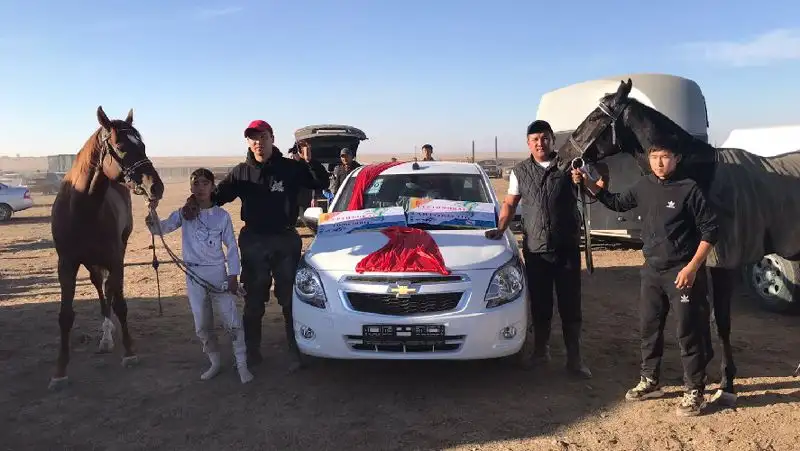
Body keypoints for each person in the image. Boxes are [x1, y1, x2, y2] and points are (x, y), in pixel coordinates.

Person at [571, 136, 719, 417]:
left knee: (688, 331)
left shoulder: (689, 189)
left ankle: (694, 390)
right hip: (652, 271)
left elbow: (711, 230)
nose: (659, 163)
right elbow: (616, 202)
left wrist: (692, 267)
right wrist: (588, 183)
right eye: (654, 157)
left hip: (681, 272)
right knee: (649, 328)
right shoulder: (644, 185)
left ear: (676, 159)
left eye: (665, 157)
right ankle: (650, 381)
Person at [182, 120, 330, 371]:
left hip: (285, 240)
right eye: (253, 138)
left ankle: (296, 350)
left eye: (263, 137)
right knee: (253, 300)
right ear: (248, 142)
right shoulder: (241, 172)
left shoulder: (290, 168)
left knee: (290, 299)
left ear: (272, 138)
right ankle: (252, 352)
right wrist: (192, 201)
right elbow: (216, 196)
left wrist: (309, 161)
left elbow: (321, 183)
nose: (258, 142)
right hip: (254, 242)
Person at [485, 120, 591, 379]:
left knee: (570, 305)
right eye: (535, 139)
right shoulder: (520, 171)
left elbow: (591, 191)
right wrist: (501, 228)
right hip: (536, 249)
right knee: (540, 304)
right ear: (528, 143)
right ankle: (541, 352)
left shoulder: (570, 165)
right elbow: (510, 203)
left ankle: (575, 359)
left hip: (566, 248)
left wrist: (582, 180)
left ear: (552, 140)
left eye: (544, 138)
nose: (540, 143)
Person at [146, 168, 253, 384]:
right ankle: (214, 362)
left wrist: (233, 275)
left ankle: (242, 364)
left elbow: (232, 247)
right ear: (191, 187)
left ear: (213, 187)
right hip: (194, 275)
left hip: (218, 274)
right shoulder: (184, 213)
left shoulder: (222, 216)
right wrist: (152, 212)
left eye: (205, 183)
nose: (200, 187)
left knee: (231, 320)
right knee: (202, 324)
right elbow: (160, 229)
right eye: (196, 183)